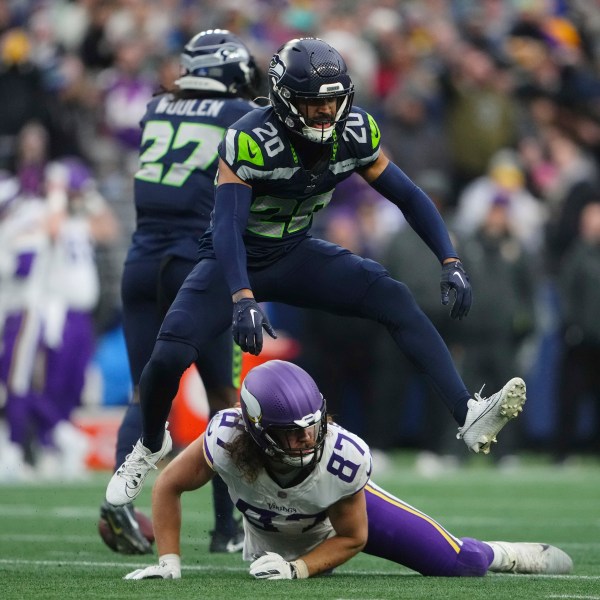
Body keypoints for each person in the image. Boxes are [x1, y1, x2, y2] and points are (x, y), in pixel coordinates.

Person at [106, 37, 527, 508]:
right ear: (285, 100)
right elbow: (226, 227)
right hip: (237, 255)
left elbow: (408, 196)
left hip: (295, 252)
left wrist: (449, 259)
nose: (325, 113)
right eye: (313, 103)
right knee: (166, 356)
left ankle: (466, 411)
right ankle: (149, 444)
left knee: (392, 297)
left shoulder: (355, 131)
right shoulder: (250, 137)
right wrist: (242, 296)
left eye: (332, 101)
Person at [123, 360, 572, 580]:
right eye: (292, 433)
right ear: (258, 432)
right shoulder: (225, 440)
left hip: (335, 517)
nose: (306, 439)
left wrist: (299, 569)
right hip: (273, 532)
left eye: (311, 427)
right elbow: (169, 485)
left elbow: (353, 537)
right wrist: (169, 562)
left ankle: (506, 554)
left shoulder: (342, 457)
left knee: (458, 564)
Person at [99, 29, 262, 555]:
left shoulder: (155, 107)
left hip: (142, 261)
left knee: (148, 392)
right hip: (196, 263)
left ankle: (118, 507)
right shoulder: (238, 111)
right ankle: (227, 528)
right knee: (223, 400)